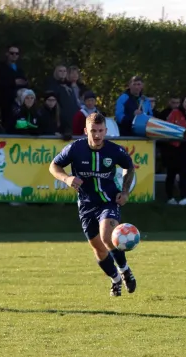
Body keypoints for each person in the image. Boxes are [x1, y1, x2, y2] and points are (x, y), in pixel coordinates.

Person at [49, 113, 137, 297]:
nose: (97, 135)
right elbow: (54, 166)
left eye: (100, 131)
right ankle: (115, 279)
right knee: (98, 249)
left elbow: (129, 166)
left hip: (109, 201)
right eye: (93, 131)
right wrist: (67, 178)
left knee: (107, 236)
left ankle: (125, 269)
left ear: (105, 131)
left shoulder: (114, 151)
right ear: (85, 131)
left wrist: (126, 191)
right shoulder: (75, 148)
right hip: (86, 205)